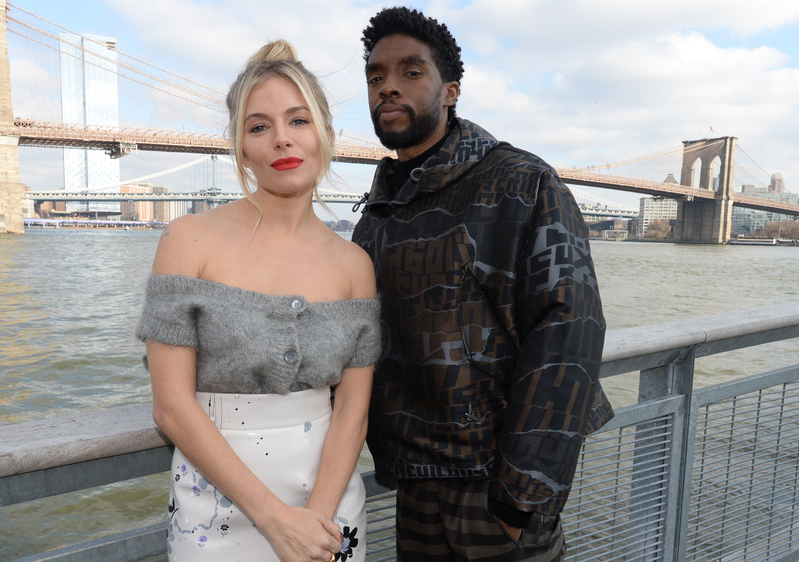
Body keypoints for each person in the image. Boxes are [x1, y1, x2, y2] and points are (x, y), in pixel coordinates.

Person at [351, 7, 615, 561]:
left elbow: (570, 330)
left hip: (497, 493)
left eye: (410, 72)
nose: (388, 87)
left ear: (451, 90)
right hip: (415, 484)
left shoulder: (522, 183)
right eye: (376, 77)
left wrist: (522, 497)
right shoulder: (376, 216)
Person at [136, 39, 379, 562]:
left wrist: (316, 517)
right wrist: (275, 521)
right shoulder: (188, 240)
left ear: (326, 135)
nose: (281, 140)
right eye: (259, 126)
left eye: (298, 120)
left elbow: (353, 409)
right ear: (241, 146)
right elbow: (172, 406)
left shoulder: (355, 264)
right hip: (215, 505)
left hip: (329, 506)